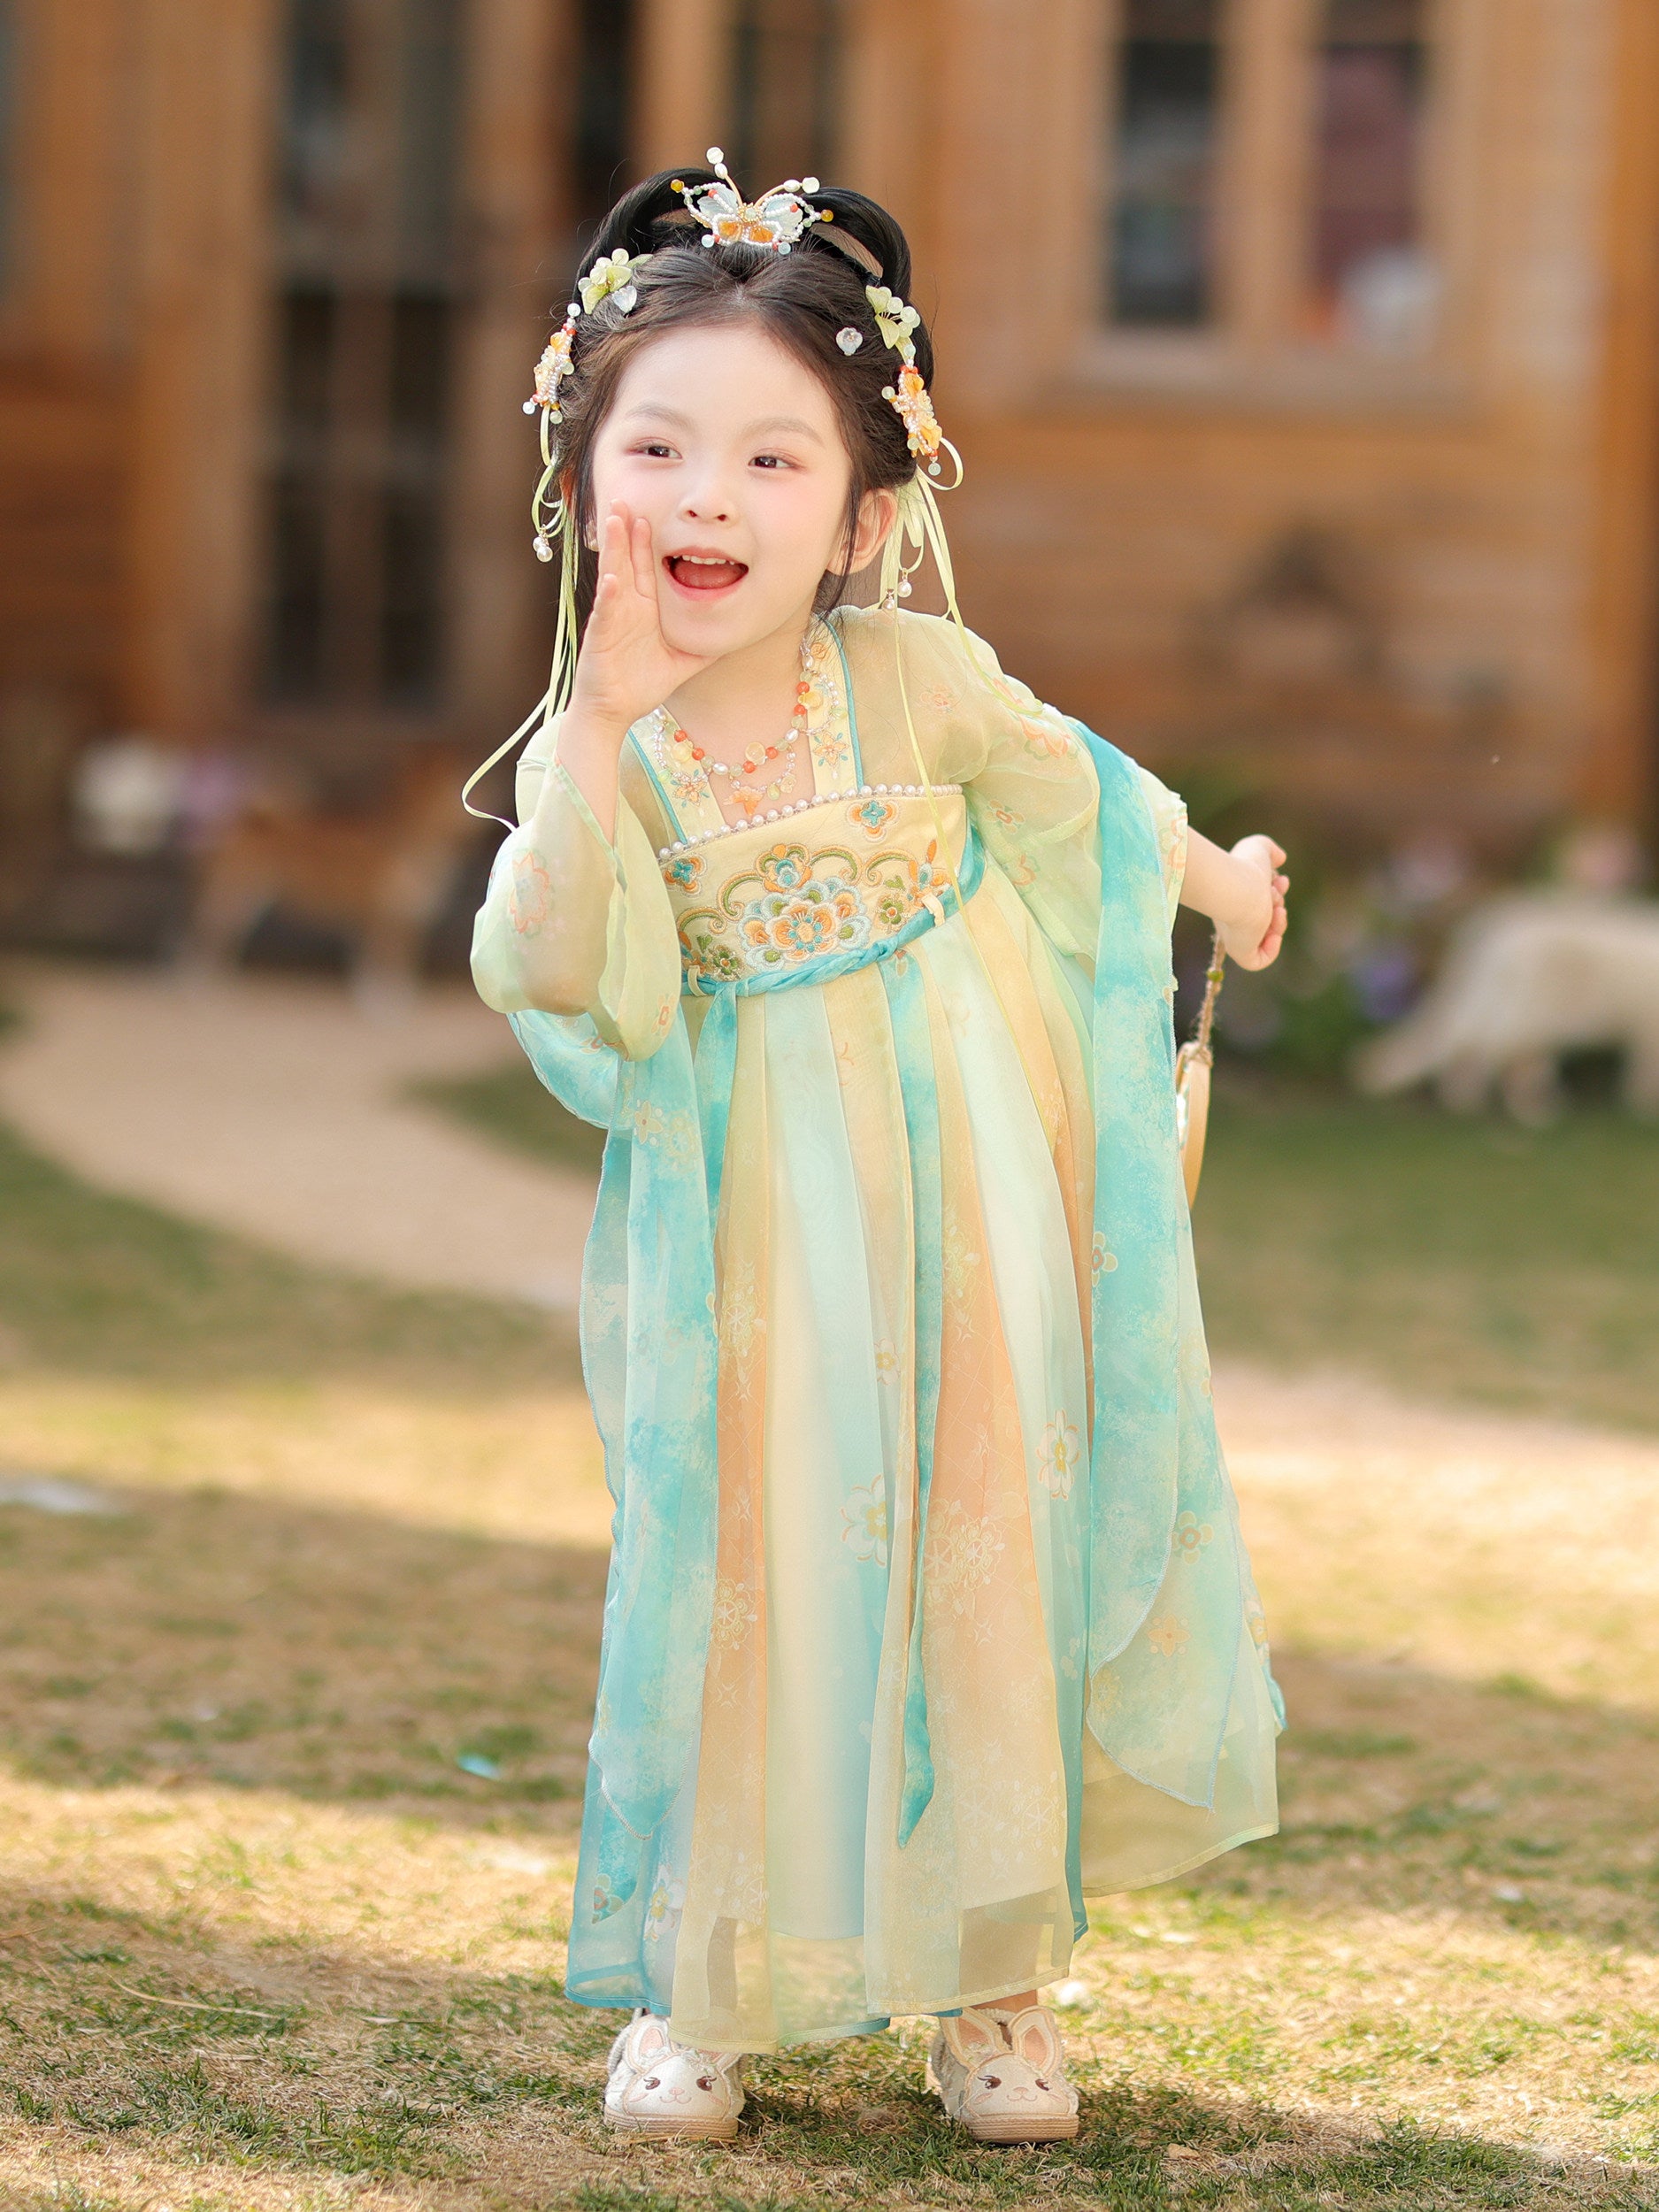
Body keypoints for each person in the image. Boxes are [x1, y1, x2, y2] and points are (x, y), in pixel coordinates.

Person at [469, 156, 1288, 2147]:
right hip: (758, 1230)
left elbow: (1064, 785)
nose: (711, 497)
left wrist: (1212, 878)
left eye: (772, 458)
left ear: (861, 506)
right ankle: (709, 1968)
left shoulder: (905, 681)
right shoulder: (613, 760)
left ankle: (989, 1973)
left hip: (971, 1199)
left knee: (975, 1545)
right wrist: (595, 730)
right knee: (749, 1554)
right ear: (587, 483)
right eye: (659, 446)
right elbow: (557, 972)